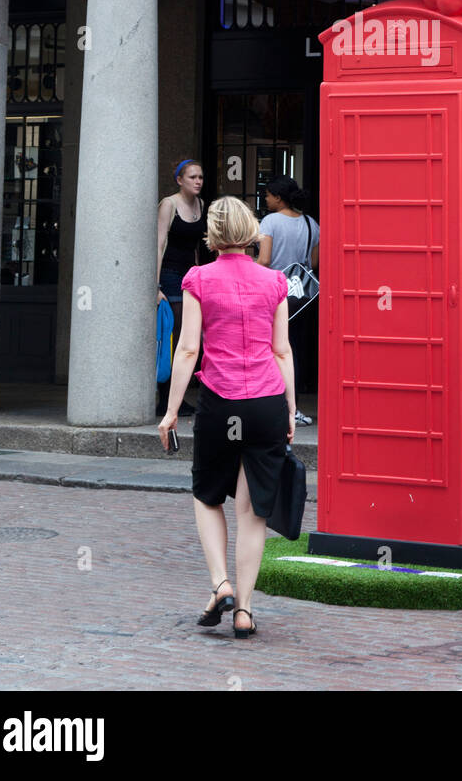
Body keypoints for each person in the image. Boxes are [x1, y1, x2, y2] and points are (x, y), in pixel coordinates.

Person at [158, 195, 294, 640]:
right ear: (250, 229)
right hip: (267, 402)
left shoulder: (199, 278)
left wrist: (172, 409)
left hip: (220, 401)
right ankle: (246, 612)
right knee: (251, 509)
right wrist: (291, 409)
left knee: (206, 496)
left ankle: (221, 586)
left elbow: (189, 348)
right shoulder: (274, 281)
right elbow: (282, 350)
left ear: (213, 232)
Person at [256, 176, 320, 422]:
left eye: (269, 195)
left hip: (274, 292)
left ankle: (276, 404)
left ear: (278, 197)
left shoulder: (270, 221)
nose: (266, 199)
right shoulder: (310, 223)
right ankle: (296, 407)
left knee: (273, 347)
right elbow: (314, 263)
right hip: (302, 297)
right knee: (294, 348)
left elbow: (264, 260)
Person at [156, 158, 206, 416]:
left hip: (191, 276)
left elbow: (197, 247)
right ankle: (165, 399)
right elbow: (159, 243)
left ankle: (179, 395)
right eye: (192, 177)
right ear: (179, 180)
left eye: (200, 177)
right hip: (170, 275)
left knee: (192, 335)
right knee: (174, 337)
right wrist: (154, 285)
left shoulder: (201, 204)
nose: (198, 181)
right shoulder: (169, 204)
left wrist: (198, 275)